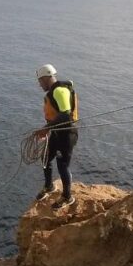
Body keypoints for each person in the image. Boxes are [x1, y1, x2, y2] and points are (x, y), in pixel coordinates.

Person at [34, 64, 79, 209]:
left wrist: (46, 128)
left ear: (46, 78)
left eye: (40, 81)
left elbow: (65, 115)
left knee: (62, 165)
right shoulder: (54, 92)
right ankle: (49, 186)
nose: (40, 85)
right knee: (46, 157)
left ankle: (67, 197)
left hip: (67, 134)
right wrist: (48, 129)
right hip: (57, 132)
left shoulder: (60, 91)